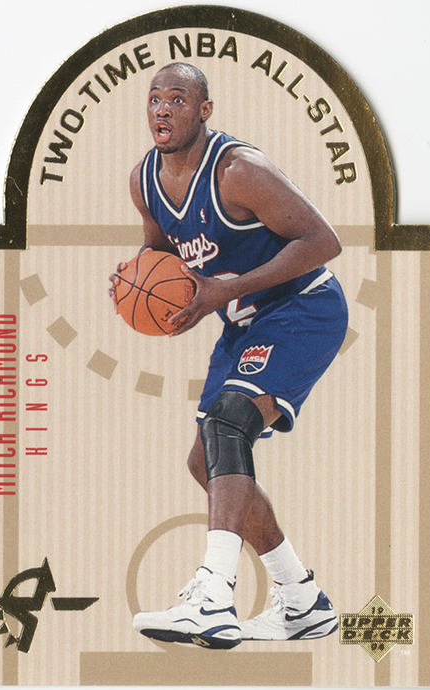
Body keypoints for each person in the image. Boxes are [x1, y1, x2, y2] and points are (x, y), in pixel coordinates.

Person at [109, 62, 348, 649]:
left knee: (228, 424)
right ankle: (302, 602)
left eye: (178, 99)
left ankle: (213, 597)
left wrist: (226, 289)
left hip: (303, 309)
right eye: (155, 99)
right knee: (205, 463)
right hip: (241, 320)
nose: (163, 109)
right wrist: (136, 283)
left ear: (204, 111)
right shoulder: (144, 180)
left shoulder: (239, 171)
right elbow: (162, 257)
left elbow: (323, 241)